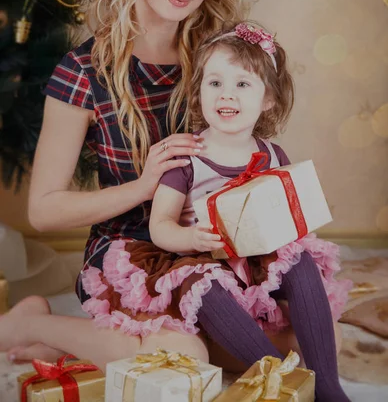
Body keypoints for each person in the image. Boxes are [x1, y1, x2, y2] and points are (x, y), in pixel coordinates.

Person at [0, 0, 262, 370]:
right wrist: (144, 186)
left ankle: (69, 344)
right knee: (187, 354)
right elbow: (43, 211)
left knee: (286, 340)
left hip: (202, 249)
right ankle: (30, 325)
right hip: (127, 253)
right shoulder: (83, 70)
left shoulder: (216, 58)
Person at [80, 22, 352, 401]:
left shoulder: (273, 155)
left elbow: (286, 217)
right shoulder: (187, 156)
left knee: (301, 262)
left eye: (243, 84)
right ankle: (277, 377)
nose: (227, 95)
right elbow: (160, 226)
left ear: (268, 99)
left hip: (255, 258)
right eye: (215, 83)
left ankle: (326, 384)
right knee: (203, 287)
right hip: (197, 257)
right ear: (198, 94)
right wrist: (190, 238)